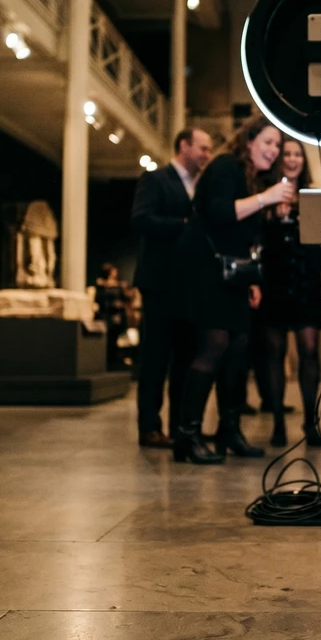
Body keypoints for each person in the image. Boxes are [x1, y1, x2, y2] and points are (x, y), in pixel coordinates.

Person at [174, 115, 295, 465]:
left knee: (239, 347)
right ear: (248, 142)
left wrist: (252, 279)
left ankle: (229, 430)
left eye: (277, 146)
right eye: (268, 143)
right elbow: (217, 213)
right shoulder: (227, 166)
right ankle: (188, 435)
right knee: (214, 345)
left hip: (233, 275)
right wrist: (267, 198)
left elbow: (246, 236)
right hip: (205, 269)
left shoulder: (254, 178)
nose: (273, 152)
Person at [131, 128, 211, 449]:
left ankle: (182, 427)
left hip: (189, 285)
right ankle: (149, 427)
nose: (206, 154)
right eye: (202, 148)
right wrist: (184, 227)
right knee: (155, 357)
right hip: (160, 281)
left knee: (185, 358)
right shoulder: (156, 179)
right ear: (184, 146)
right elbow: (141, 219)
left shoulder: (200, 186)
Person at [257, 139, 321, 448]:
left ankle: (311, 421)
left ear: (304, 160)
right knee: (274, 352)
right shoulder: (266, 194)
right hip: (273, 279)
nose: (292, 158)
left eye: (297, 154)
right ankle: (276, 421)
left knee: (309, 350)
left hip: (307, 280)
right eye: (287, 154)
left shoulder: (313, 196)